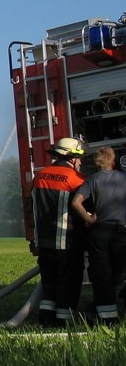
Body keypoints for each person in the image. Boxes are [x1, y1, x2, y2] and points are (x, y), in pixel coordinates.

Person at [30, 137, 86, 327]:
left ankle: (46, 319)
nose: (80, 162)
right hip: (66, 242)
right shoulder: (76, 179)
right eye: (79, 158)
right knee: (69, 281)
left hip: (44, 241)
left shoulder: (39, 176)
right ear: (71, 157)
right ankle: (65, 321)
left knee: (49, 282)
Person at [71, 147, 126, 325]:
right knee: (119, 273)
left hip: (99, 232)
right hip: (121, 232)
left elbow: (76, 202)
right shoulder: (123, 178)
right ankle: (108, 307)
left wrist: (89, 218)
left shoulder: (92, 180)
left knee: (102, 275)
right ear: (113, 162)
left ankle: (105, 316)